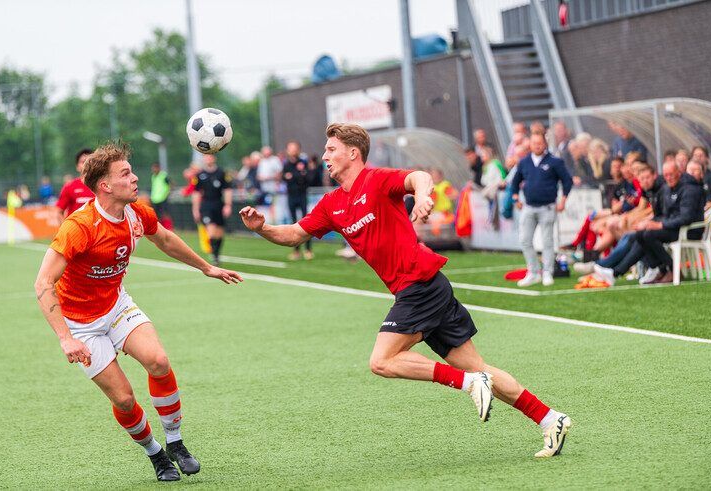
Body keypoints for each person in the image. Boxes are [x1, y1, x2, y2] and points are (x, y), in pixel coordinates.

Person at [240, 123, 572, 458]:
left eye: (331, 149)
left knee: (382, 361)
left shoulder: (377, 179)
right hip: (425, 287)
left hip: (420, 285)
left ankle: (469, 383)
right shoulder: (331, 204)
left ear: (353, 153)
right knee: (479, 368)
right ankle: (549, 419)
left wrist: (424, 196)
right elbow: (293, 234)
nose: (324, 155)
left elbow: (418, 177)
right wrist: (263, 227)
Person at [34, 142, 243, 482]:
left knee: (158, 361)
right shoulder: (80, 226)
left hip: (117, 306)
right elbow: (43, 283)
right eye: (126, 173)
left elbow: (165, 239)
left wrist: (206, 267)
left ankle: (175, 443)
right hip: (81, 325)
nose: (135, 178)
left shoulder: (137, 213)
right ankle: (156, 455)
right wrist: (65, 338)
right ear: (105, 185)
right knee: (125, 399)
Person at [594, 161, 705, 285]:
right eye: (666, 175)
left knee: (647, 235)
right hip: (675, 227)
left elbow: (686, 217)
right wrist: (649, 223)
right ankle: (660, 269)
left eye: (671, 174)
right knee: (641, 233)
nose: (669, 178)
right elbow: (665, 215)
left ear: (678, 173)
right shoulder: (669, 188)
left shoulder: (689, 189)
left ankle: (671, 269)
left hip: (689, 230)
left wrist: (659, 225)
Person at [511, 133, 573, 287]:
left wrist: (563, 199)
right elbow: (515, 181)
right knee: (525, 240)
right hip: (529, 207)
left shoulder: (555, 162)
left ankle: (547, 272)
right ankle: (533, 272)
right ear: (530, 145)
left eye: (540, 143)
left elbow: (567, 180)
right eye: (534, 143)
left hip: (547, 207)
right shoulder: (524, 162)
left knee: (547, 242)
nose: (537, 146)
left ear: (545, 144)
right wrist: (515, 198)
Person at [192, 154, 233, 265]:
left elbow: (228, 190)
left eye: (210, 156)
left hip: (219, 204)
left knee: (219, 233)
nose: (208, 158)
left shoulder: (222, 173)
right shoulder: (200, 175)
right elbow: (196, 193)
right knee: (211, 232)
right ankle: (214, 256)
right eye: (206, 156)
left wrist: (228, 205)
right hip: (206, 205)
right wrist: (195, 209)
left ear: (214, 158)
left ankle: (216, 254)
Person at [282, 140, 314, 260]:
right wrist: (296, 176)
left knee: (306, 223)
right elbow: (285, 178)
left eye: (294, 147)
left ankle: (308, 249)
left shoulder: (303, 162)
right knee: (293, 223)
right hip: (291, 196)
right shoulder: (286, 164)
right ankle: (296, 251)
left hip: (302, 195)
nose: (292, 150)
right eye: (290, 148)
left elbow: (307, 177)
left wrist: (294, 176)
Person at [55, 148, 95, 221]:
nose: (86, 165)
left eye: (90, 162)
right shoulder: (70, 187)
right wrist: (66, 231)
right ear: (77, 167)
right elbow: (58, 212)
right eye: (83, 162)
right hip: (77, 230)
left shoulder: (103, 186)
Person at [257, 146, 283, 222]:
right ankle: (268, 221)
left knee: (273, 206)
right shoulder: (262, 162)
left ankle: (275, 221)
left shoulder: (275, 160)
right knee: (266, 207)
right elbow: (258, 175)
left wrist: (269, 177)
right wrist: (261, 178)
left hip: (274, 189)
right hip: (264, 189)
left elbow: (279, 174)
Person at [150, 162, 173, 230]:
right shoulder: (153, 176)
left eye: (155, 168)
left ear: (159, 168)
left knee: (165, 214)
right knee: (156, 215)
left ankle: (169, 228)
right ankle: (159, 229)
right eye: (153, 168)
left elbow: (171, 184)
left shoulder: (164, 176)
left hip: (163, 198)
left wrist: (168, 193)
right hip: (155, 199)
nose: (153, 169)